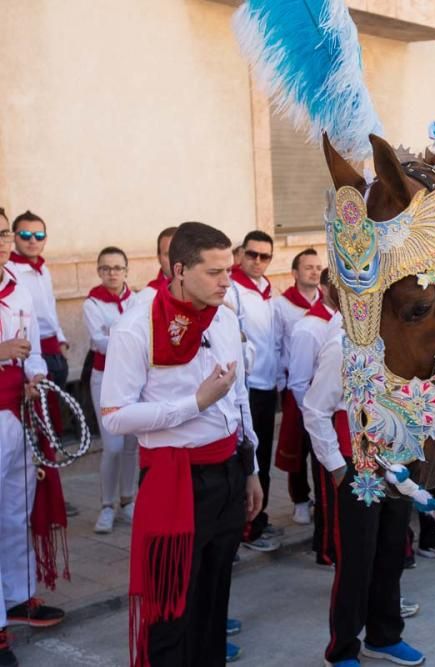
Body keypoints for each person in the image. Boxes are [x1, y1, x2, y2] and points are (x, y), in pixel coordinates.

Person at [101, 221, 263, 666]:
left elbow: (240, 397)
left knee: (214, 603)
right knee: (170, 614)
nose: (227, 281)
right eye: (214, 272)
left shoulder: (225, 317)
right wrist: (192, 403)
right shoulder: (136, 326)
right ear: (178, 269)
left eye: (228, 269)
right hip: (176, 483)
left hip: (229, 472)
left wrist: (250, 468)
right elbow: (114, 416)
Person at [302, 333, 426, 667]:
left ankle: (384, 636)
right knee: (357, 559)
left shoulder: (402, 333)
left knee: (391, 551)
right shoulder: (341, 341)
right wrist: (337, 465)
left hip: (398, 458)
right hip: (358, 466)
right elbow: (315, 409)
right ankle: (342, 648)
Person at [0, 211, 65, 667]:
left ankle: (19, 595)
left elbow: (35, 350)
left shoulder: (18, 283)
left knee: (15, 508)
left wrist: (35, 377)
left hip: (15, 414)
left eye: (1, 231)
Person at [227, 231, 281, 552]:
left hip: (266, 385)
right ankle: (245, 530)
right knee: (248, 460)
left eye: (265, 256)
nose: (258, 261)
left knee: (262, 458)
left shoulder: (266, 290)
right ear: (241, 255)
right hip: (245, 388)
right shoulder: (232, 289)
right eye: (252, 255)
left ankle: (258, 521)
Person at [287, 271, 342, 565]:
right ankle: (326, 548)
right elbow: (298, 380)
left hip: (337, 415)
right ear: (326, 289)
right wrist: (314, 419)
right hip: (323, 414)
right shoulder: (309, 327)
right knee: (327, 491)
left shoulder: (340, 321)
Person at [83, 246, 138, 534]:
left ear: (126, 271)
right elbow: (98, 341)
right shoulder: (92, 303)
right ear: (99, 271)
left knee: (131, 444)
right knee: (113, 445)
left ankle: (128, 499)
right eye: (106, 268)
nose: (112, 273)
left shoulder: (138, 299)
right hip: (104, 378)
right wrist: (126, 337)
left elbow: (144, 335)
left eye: (117, 268)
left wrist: (115, 334)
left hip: (133, 379)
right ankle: (107, 504)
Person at [273, 248, 323, 526]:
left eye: (318, 267)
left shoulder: (325, 301)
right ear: (294, 273)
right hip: (295, 386)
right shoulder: (281, 306)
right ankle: (300, 499)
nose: (314, 272)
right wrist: (283, 384)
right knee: (297, 444)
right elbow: (276, 344)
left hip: (323, 385)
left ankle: (321, 496)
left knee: (320, 442)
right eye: (308, 267)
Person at [8, 211, 69, 391]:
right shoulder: (10, 271)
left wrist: (61, 340)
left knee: (56, 409)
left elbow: (50, 306)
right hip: (30, 353)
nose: (32, 241)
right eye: (25, 235)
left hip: (54, 349)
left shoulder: (43, 269)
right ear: (14, 238)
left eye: (39, 236)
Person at [138, 227, 178, 302]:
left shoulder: (203, 292)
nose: (174, 260)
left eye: (179, 253)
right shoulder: (146, 298)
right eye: (168, 254)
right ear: (159, 258)